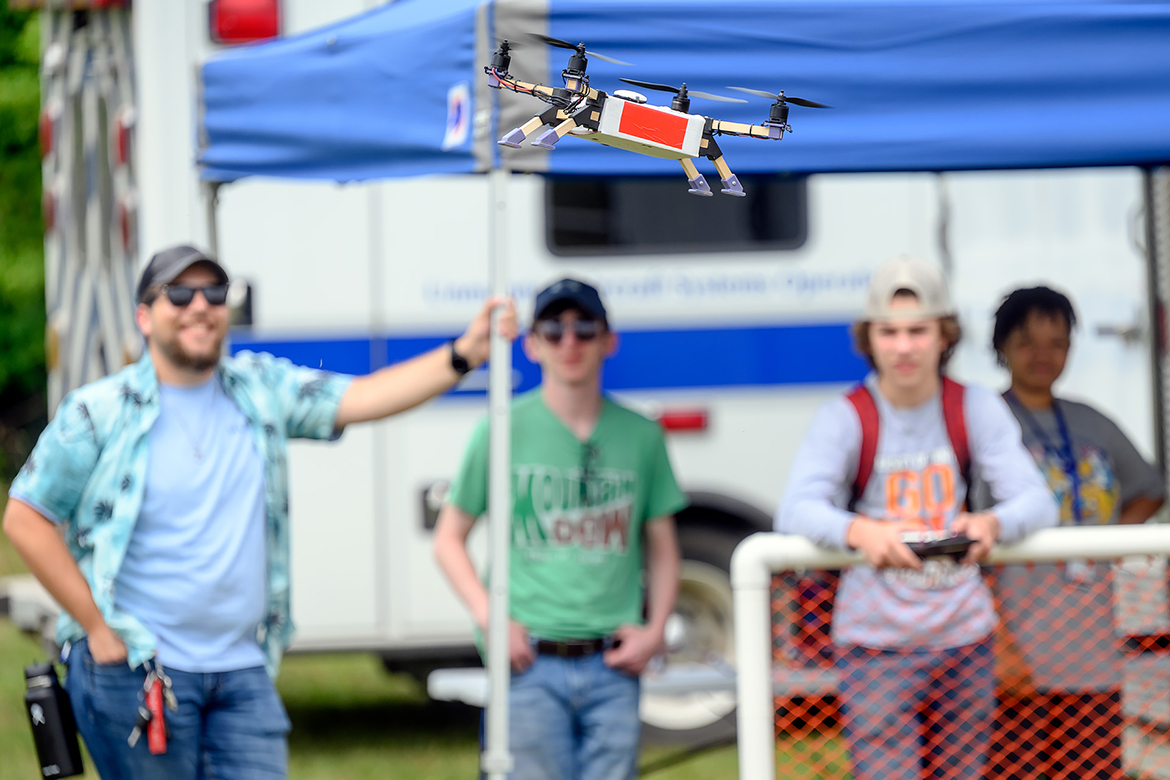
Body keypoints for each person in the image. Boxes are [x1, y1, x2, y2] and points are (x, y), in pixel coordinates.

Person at [2, 244, 516, 780]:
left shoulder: (260, 390)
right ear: (144, 316)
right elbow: (25, 517)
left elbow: (363, 397)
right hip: (134, 667)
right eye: (179, 293)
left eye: (215, 292)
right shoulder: (99, 410)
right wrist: (95, 626)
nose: (200, 305)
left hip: (242, 671)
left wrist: (465, 353)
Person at [776, 255, 1058, 780]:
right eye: (889, 332)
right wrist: (861, 531)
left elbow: (1038, 501)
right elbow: (795, 508)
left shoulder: (972, 405)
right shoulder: (846, 415)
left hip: (966, 638)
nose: (903, 347)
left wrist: (991, 524)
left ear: (943, 335)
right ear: (869, 337)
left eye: (917, 331)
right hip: (876, 644)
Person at [433, 278, 686, 780]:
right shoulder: (501, 428)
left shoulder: (642, 435)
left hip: (613, 662)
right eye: (553, 330)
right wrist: (491, 617)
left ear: (608, 341)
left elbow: (662, 548)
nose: (569, 342)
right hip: (530, 662)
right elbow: (448, 539)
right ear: (531, 344)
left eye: (584, 328)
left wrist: (654, 630)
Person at [983, 285, 1165, 780]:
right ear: (1001, 347)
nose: (1043, 355)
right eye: (1027, 342)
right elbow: (970, 550)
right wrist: (999, 646)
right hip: (1015, 658)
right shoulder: (985, 424)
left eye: (1058, 342)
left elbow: (1150, 487)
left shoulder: (1092, 423)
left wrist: (1113, 537)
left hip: (1093, 654)